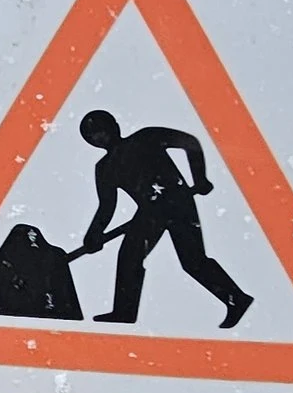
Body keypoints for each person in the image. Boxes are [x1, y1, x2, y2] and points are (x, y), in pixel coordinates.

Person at [73, 109, 252, 328]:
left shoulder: (145, 137)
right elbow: (107, 205)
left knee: (193, 261)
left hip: (178, 203)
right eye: (93, 136)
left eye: (101, 131)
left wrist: (199, 178)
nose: (99, 138)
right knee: (129, 256)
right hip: (149, 212)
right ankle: (124, 311)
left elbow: (190, 143)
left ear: (112, 126)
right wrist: (94, 233)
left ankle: (236, 299)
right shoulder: (104, 168)